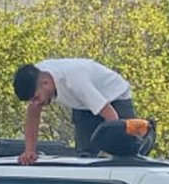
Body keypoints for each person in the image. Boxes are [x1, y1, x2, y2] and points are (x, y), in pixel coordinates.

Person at [13, 58, 145, 165]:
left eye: (36, 98)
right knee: (85, 156)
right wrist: (29, 151)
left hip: (115, 99)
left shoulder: (75, 80)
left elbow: (111, 116)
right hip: (83, 106)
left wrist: (111, 150)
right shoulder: (35, 78)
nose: (36, 103)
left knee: (125, 153)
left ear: (46, 83)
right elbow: (32, 117)